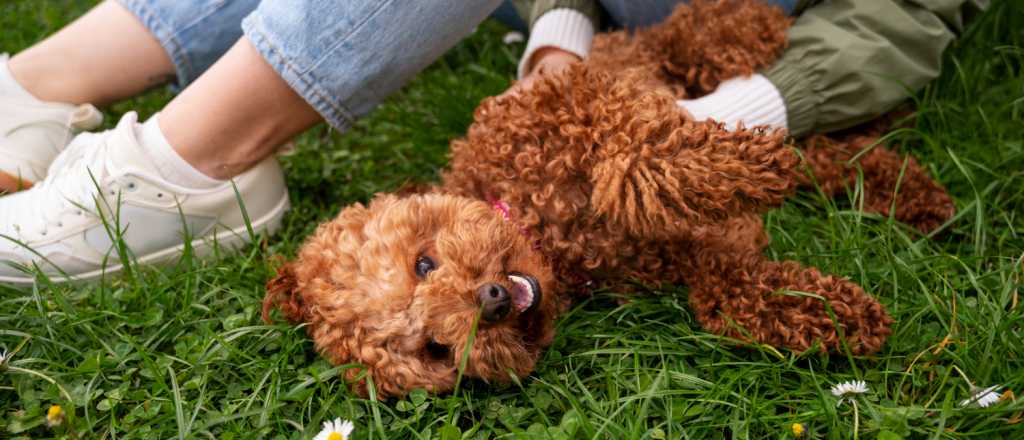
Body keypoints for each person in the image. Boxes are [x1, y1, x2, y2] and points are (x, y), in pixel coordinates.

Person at [0, 0, 984, 285]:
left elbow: (906, 14)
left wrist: (705, 120)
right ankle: (37, 90)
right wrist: (560, 37)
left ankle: (197, 164)